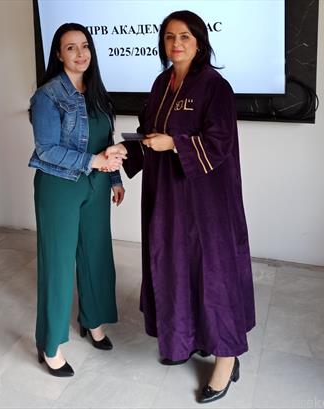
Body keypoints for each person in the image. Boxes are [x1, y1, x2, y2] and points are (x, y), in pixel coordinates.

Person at [116, 10, 256, 403]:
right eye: (169, 37)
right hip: (165, 196)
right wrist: (123, 151)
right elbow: (149, 135)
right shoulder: (162, 83)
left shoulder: (215, 86)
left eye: (184, 37)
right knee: (174, 266)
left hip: (206, 201)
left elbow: (219, 142)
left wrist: (176, 143)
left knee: (213, 273)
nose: (175, 44)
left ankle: (227, 359)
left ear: (199, 43)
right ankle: (184, 339)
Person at [28, 23, 126, 377]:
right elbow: (46, 149)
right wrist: (94, 162)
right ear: (58, 54)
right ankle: (50, 344)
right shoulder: (47, 96)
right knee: (57, 264)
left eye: (85, 46)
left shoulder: (97, 92)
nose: (80, 53)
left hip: (96, 184)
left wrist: (113, 177)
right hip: (60, 187)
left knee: (96, 255)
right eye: (71, 47)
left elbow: (105, 139)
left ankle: (93, 321)